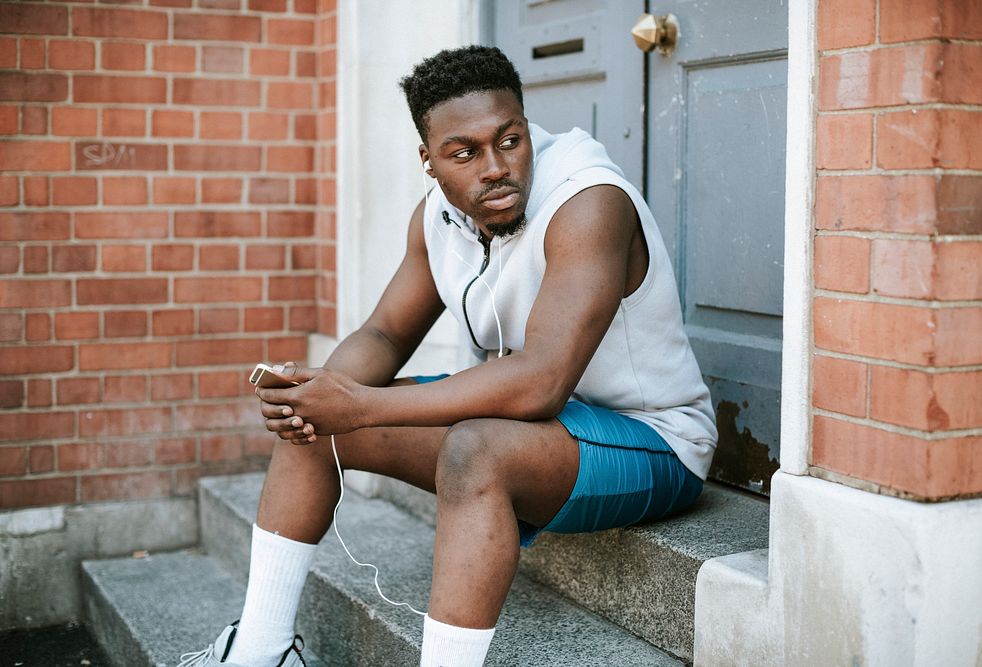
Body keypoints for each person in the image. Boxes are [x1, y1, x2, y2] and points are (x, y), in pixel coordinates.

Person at [176, 45, 717, 667]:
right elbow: (383, 334)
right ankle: (261, 651)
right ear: (428, 160)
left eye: (509, 140)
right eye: (464, 153)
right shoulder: (436, 217)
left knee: (473, 450)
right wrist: (318, 397)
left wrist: (363, 405)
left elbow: (540, 381)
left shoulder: (589, 202)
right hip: (537, 429)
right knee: (319, 419)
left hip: (653, 442)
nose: (495, 168)